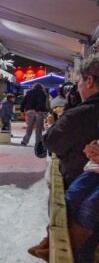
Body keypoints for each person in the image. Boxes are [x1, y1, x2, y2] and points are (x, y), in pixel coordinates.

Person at [44, 57, 99, 188]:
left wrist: (69, 108)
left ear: (89, 81)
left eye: (79, 80)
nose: (77, 87)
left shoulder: (81, 114)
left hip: (83, 190)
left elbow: (51, 142)